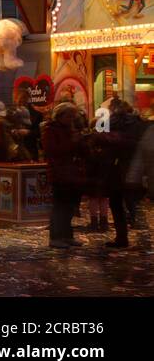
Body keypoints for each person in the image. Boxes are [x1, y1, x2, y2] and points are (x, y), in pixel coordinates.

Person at [94, 99, 141, 248]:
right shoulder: (136, 123)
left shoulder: (108, 121)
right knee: (132, 201)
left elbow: (99, 140)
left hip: (114, 167)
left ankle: (122, 237)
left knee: (116, 202)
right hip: (132, 165)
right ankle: (136, 229)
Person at [42, 102, 86, 249]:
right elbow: (52, 150)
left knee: (69, 206)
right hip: (59, 172)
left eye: (73, 116)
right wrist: (72, 143)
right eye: (69, 116)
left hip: (71, 172)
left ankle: (67, 235)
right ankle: (56, 237)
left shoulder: (70, 129)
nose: (71, 119)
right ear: (60, 116)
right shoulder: (50, 130)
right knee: (60, 206)